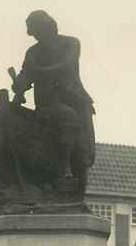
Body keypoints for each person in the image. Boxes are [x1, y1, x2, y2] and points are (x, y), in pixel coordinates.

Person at [12, 10, 95, 184]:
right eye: (33, 32)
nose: (35, 36)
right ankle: (64, 170)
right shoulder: (33, 53)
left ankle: (76, 171)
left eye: (37, 30)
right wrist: (19, 85)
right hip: (48, 103)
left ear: (48, 26)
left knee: (84, 147)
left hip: (76, 99)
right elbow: (25, 75)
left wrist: (38, 72)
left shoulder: (71, 43)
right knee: (68, 117)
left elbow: (67, 65)